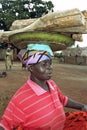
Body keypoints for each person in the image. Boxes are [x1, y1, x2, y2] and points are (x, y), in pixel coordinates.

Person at [0, 50, 87, 130]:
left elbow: (62, 99)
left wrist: (82, 106)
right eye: (44, 64)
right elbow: (4, 125)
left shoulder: (52, 84)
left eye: (50, 63)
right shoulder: (21, 99)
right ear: (31, 68)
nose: (50, 67)